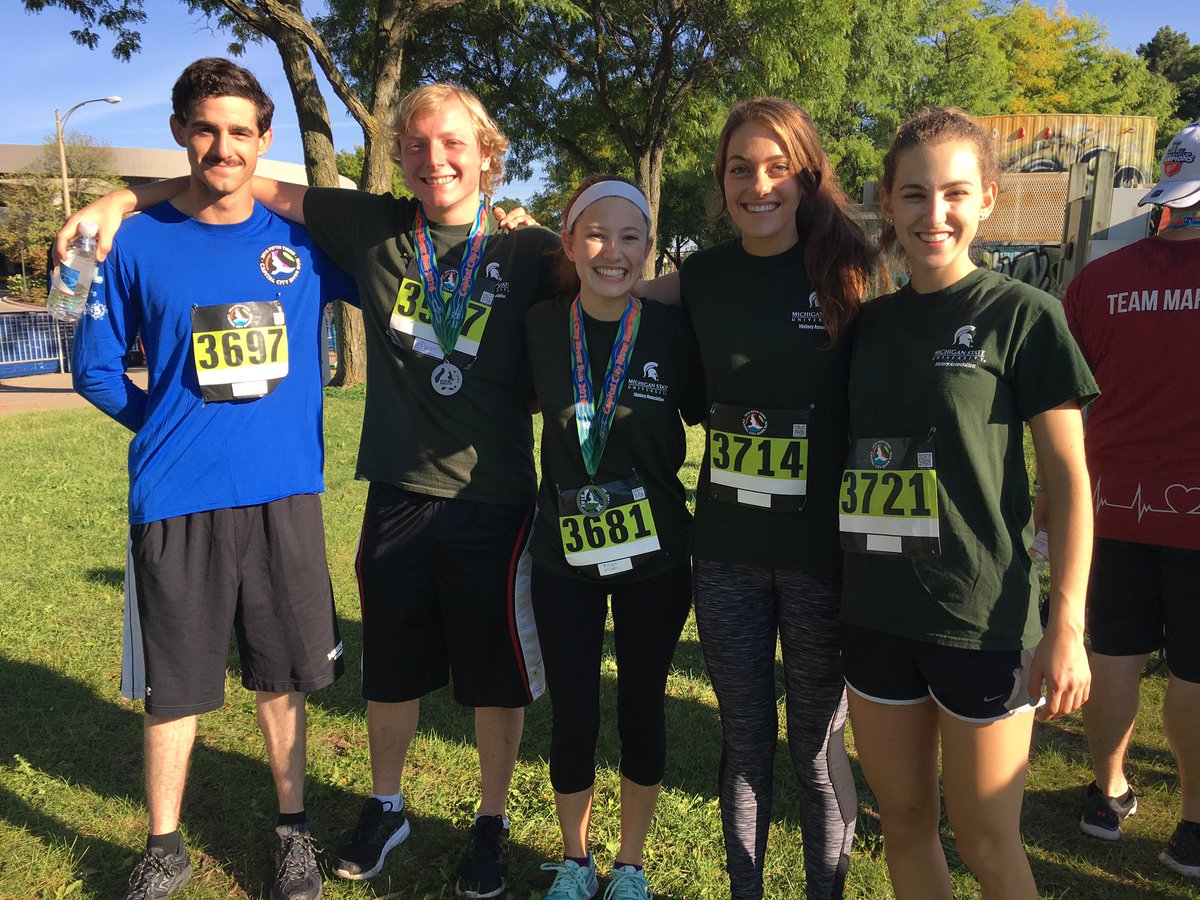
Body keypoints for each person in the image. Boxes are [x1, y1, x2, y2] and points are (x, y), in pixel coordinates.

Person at [62, 82, 559, 897]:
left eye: (455, 144)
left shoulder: (532, 253)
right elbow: (237, 177)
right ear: (397, 155)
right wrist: (122, 195)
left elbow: (591, 305)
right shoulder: (369, 228)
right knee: (387, 671)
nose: (437, 159)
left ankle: (490, 823)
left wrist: (533, 223)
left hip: (492, 493)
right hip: (392, 493)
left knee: (487, 676)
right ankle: (381, 805)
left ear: (488, 155)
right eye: (419, 144)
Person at [70, 58, 356, 900]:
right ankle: (164, 843)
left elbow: (397, 252)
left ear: (264, 140)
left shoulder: (302, 241)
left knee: (286, 675)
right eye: (205, 128)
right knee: (174, 685)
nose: (222, 146)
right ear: (179, 134)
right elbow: (92, 369)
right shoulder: (137, 244)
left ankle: (292, 832)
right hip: (177, 499)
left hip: (284, 497)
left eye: (240, 131)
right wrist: (163, 424)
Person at [839, 107, 1096, 899]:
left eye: (954, 193)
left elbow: (1071, 482)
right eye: (913, 195)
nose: (933, 214)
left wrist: (1068, 627)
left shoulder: (1024, 316)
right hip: (877, 610)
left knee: (986, 837)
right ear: (887, 203)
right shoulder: (867, 325)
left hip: (981, 617)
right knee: (906, 823)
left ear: (987, 198)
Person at [677, 98, 874, 900]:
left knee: (815, 753)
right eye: (739, 169)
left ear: (806, 174)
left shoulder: (848, 272)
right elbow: (606, 286)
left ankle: (825, 889)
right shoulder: (699, 278)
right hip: (725, 554)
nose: (757, 185)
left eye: (776, 167)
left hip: (822, 561)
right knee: (745, 741)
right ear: (721, 179)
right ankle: (746, 890)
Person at [524, 175, 705, 900]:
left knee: (641, 707)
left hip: (655, 558)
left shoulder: (672, 333)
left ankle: (629, 864)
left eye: (631, 237)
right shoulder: (540, 327)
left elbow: (717, 411)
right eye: (596, 234)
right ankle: (575, 859)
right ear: (570, 242)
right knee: (573, 710)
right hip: (563, 559)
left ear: (648, 251)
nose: (613, 251)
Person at [1062, 120, 1200, 877]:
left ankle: (1107, 794)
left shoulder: (1099, 281)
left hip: (1111, 504)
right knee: (1195, 672)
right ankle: (1196, 828)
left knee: (1113, 654)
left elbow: (1065, 402)